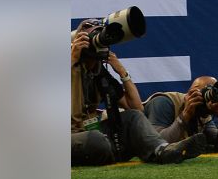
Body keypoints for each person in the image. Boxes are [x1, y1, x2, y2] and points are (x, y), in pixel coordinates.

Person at [71, 23, 207, 165]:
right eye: (94, 37)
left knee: (132, 118)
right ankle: (108, 151)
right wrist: (72, 60)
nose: (100, 41)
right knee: (96, 140)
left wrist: (123, 73)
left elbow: (136, 108)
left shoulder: (99, 73)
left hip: (88, 132)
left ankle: (161, 151)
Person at [144, 76, 218, 152]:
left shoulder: (202, 114)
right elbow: (156, 145)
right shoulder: (164, 102)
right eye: (207, 91)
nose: (210, 100)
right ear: (192, 91)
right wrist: (185, 116)